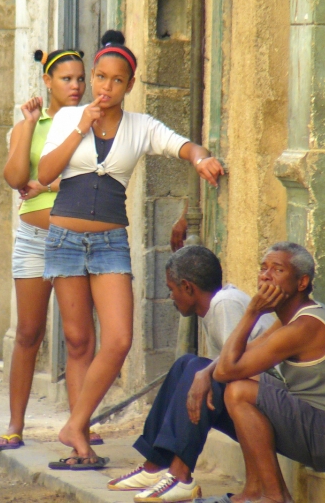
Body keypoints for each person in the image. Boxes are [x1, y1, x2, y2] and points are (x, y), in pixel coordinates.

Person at [37, 31, 224, 470]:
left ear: (129, 85)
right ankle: (79, 441)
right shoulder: (68, 117)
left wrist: (201, 159)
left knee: (118, 339)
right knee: (79, 340)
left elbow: (182, 145)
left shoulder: (140, 127)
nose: (104, 87)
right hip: (64, 237)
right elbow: (45, 173)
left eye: (115, 81)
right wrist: (80, 125)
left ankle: (75, 423)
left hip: (109, 242)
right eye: (99, 77)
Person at [107, 245, 274, 502]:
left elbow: (238, 368)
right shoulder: (218, 306)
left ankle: (181, 475)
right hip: (254, 400)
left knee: (200, 371)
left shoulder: (224, 304)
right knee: (186, 364)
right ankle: (155, 464)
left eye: (172, 289)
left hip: (268, 406)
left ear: (188, 287)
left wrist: (205, 375)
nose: (171, 297)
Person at [0, 48, 87, 451]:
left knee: (78, 337)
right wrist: (30, 125)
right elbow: (15, 177)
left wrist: (47, 185)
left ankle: (78, 423)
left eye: (81, 78)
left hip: (73, 239)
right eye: (67, 79)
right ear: (47, 82)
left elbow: (92, 180)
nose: (76, 86)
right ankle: (16, 423)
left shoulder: (89, 123)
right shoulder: (28, 124)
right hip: (33, 240)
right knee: (28, 333)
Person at [207, 242, 325, 503]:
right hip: (318, 427)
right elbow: (234, 361)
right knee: (243, 380)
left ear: (301, 282)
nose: (265, 276)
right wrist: (201, 374)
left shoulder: (304, 327)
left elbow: (226, 370)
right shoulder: (289, 321)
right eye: (263, 269)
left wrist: (251, 312)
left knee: (239, 391)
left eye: (277, 270)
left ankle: (275, 497)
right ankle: (255, 492)